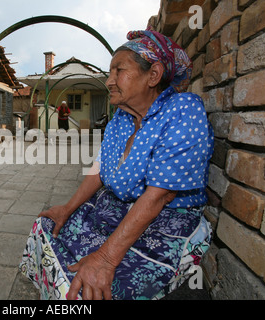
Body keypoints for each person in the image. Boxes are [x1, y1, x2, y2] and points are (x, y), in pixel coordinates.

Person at [19, 28, 214, 300]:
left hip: (164, 221)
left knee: (85, 292)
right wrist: (67, 208)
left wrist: (106, 259)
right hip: (113, 210)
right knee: (47, 227)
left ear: (153, 75)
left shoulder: (183, 110)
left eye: (118, 71)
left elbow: (160, 195)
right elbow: (99, 169)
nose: (109, 81)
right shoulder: (120, 119)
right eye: (110, 73)